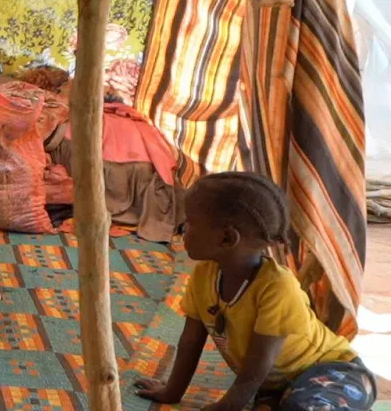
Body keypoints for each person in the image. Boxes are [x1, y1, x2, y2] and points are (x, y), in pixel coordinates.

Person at [134, 172, 376, 410]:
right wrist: (172, 391)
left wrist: (228, 406)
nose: (182, 229)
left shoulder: (277, 287)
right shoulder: (203, 275)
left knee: (305, 408)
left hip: (334, 372)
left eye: (191, 223)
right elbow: (191, 341)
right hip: (275, 386)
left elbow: (259, 362)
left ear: (227, 238)